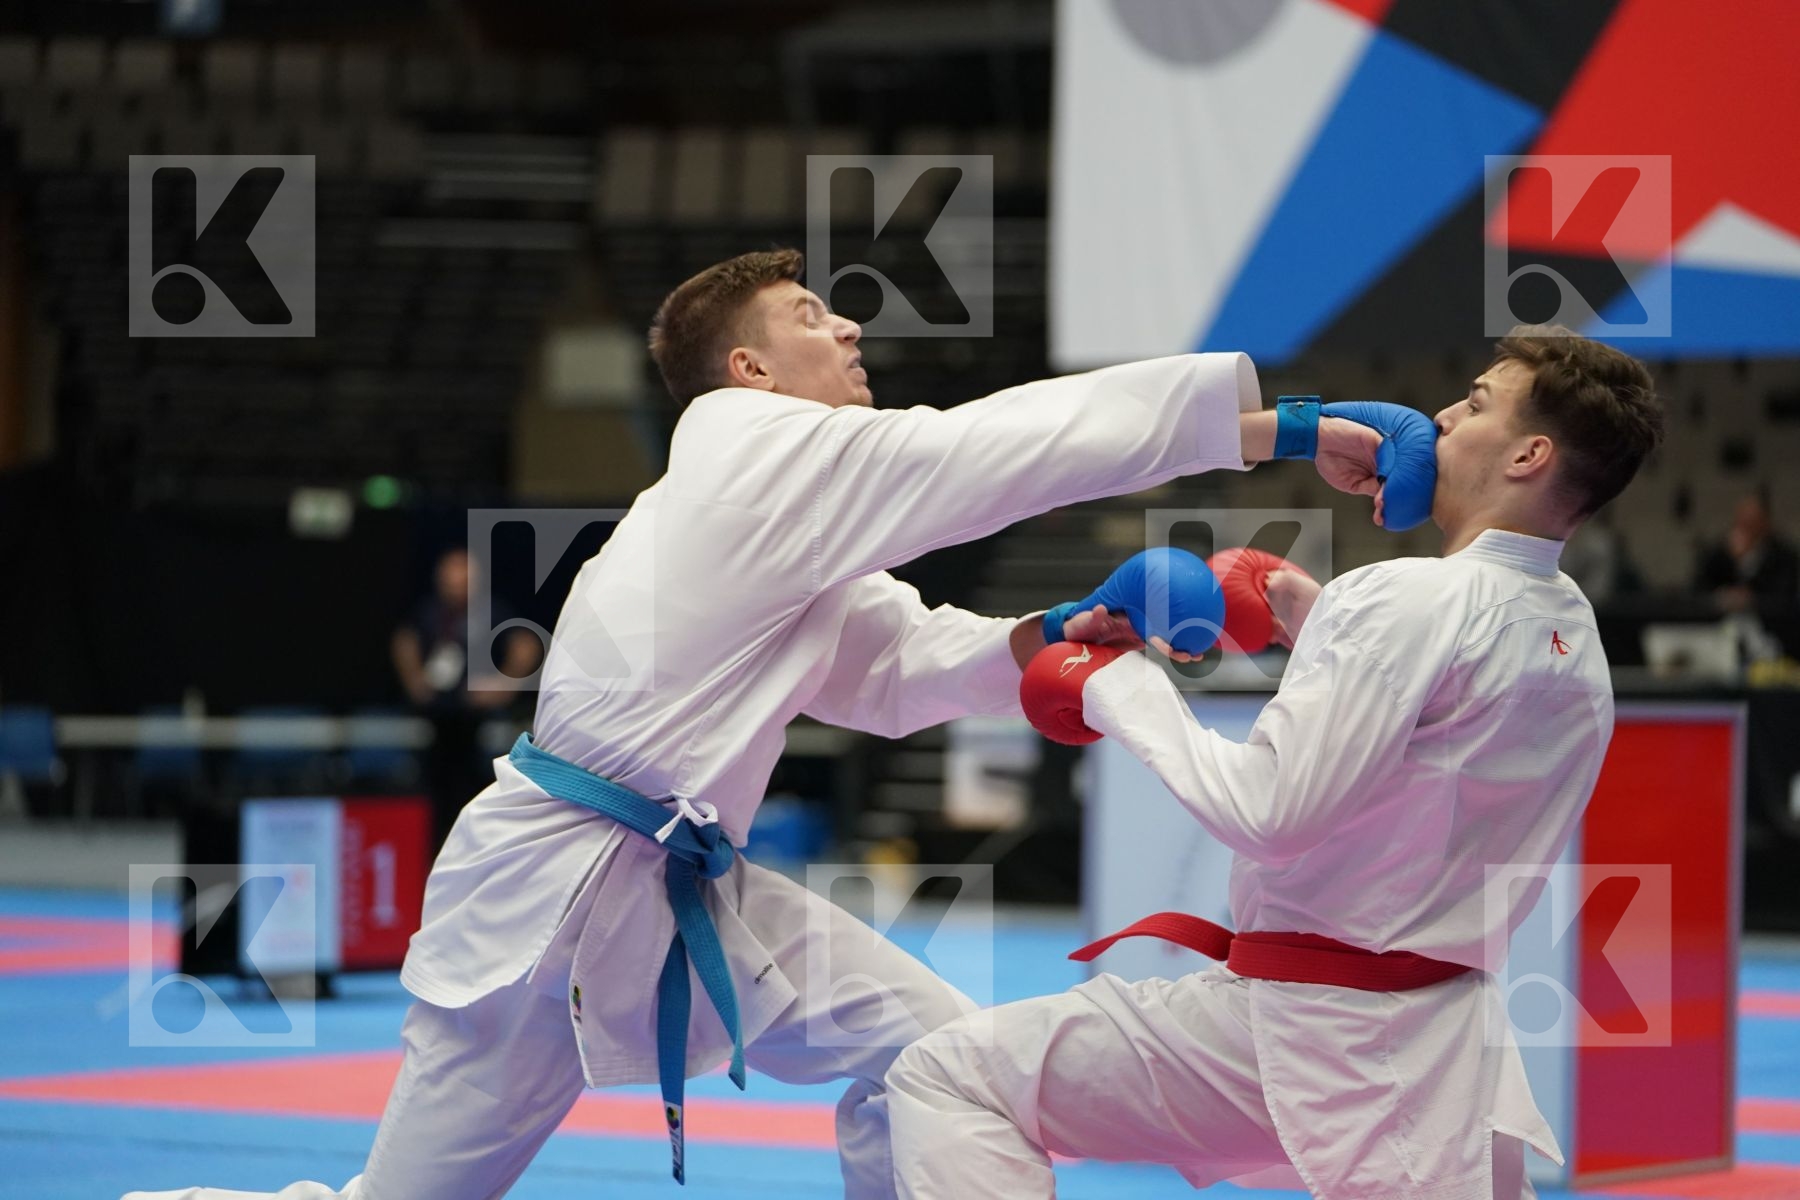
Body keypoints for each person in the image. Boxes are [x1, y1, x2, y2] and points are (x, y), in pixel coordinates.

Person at [125, 247, 1395, 1200]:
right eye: (808, 316)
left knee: (935, 1058)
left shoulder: (787, 528)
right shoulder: (747, 450)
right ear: (748, 372)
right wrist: (1281, 428)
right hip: (550, 895)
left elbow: (898, 667)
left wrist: (1060, 629)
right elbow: (991, 451)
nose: (849, 325)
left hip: (686, 886)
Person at [886, 325, 1665, 1199]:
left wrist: (1114, 683)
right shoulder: (1573, 633)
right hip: (1443, 1037)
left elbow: (1269, 814)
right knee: (963, 1072)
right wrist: (1322, 623)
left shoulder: (1404, 595)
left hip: (1311, 1021)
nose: (1443, 415)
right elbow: (1447, 740)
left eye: (1477, 404)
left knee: (947, 1075)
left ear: (1528, 455)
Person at [390, 546, 540, 849]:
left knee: (475, 796)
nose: (456, 583)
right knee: (437, 797)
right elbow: (404, 641)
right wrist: (415, 680)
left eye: (463, 576)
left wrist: (504, 685)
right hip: (437, 719)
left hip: (479, 723)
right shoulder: (429, 613)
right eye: (450, 576)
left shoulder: (492, 612)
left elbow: (526, 644)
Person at [1693, 488, 1799, 612]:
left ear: (1765, 523)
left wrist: (1752, 598)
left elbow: (1784, 597)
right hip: (1720, 619)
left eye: (1753, 522)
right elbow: (1698, 589)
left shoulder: (1784, 555)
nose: (1747, 527)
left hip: (1768, 620)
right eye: (1743, 521)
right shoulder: (1719, 552)